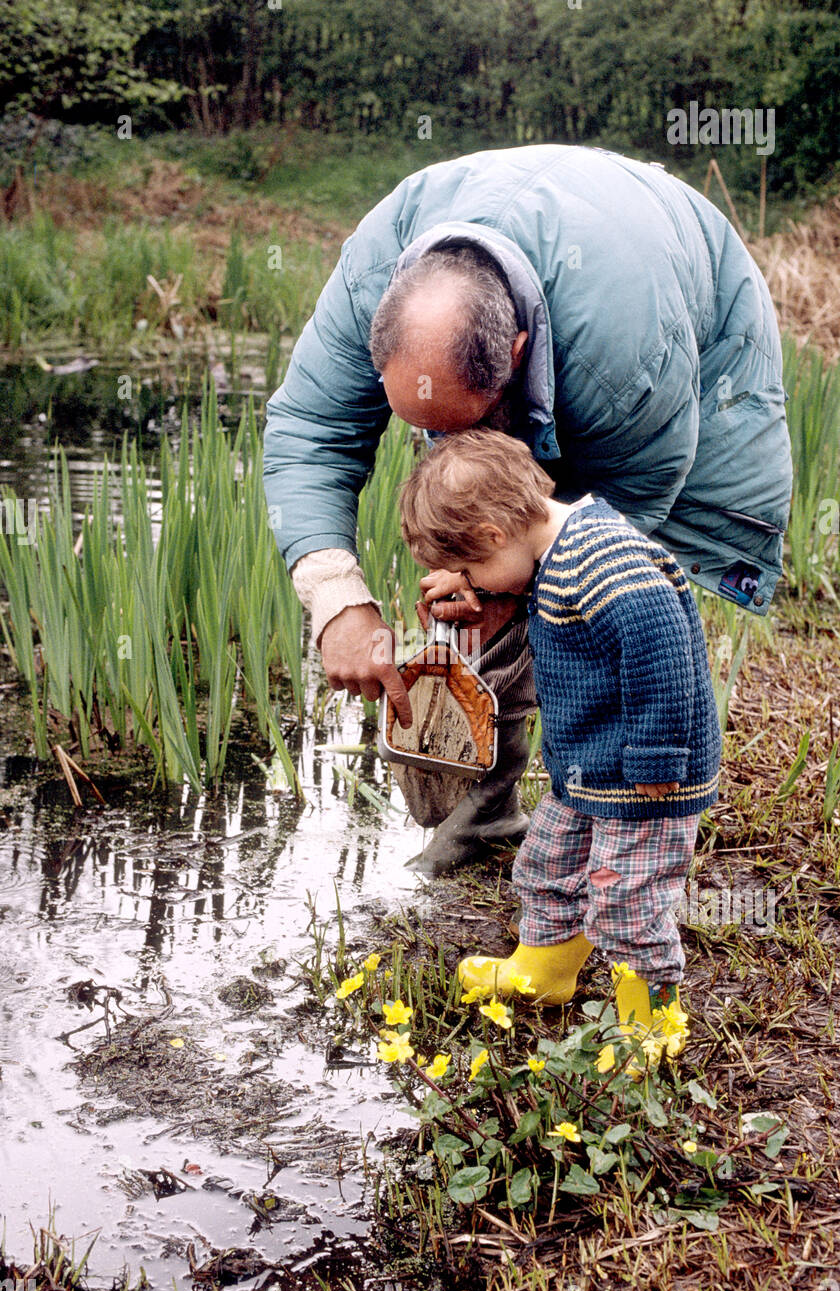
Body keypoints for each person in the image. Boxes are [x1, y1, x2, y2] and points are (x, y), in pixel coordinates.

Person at [263, 145, 791, 874]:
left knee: (589, 602)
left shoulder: (625, 358)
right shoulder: (368, 279)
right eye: (427, 429)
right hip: (535, 246)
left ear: (513, 352)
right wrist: (337, 602)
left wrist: (519, 588)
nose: (439, 448)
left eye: (459, 426)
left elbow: (621, 517)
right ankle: (489, 814)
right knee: (480, 586)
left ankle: (621, 796)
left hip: (666, 276)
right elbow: (308, 432)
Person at [397, 427, 723, 1045]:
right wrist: (478, 592)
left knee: (630, 897)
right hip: (587, 769)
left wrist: (657, 757)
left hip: (646, 775)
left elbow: (662, 652)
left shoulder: (607, 561)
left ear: (495, 536)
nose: (481, 583)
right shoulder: (553, 554)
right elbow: (544, 602)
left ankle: (651, 1023)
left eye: (474, 569)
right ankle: (546, 969)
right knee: (548, 864)